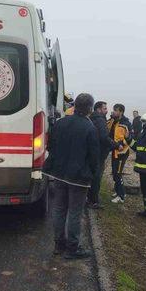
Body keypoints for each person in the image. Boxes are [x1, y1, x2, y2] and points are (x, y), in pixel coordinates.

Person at [43, 93, 100, 258]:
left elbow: (51, 146)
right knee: (75, 212)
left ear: (75, 106)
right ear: (90, 108)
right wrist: (91, 174)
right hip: (79, 178)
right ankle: (72, 249)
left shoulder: (61, 123)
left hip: (59, 174)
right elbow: (94, 157)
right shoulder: (90, 128)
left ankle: (58, 245)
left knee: (59, 209)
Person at [88, 101, 120, 209]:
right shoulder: (100, 120)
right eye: (105, 108)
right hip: (99, 153)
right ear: (99, 109)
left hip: (93, 152)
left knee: (92, 176)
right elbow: (103, 137)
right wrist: (116, 145)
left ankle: (90, 198)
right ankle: (94, 201)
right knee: (96, 177)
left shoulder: (92, 118)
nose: (107, 111)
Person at [107, 103, 132, 204]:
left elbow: (129, 138)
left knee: (118, 173)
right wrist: (111, 119)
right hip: (114, 151)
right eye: (113, 110)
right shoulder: (114, 121)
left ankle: (121, 196)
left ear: (121, 112)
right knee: (114, 172)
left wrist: (121, 144)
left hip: (122, 152)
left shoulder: (126, 123)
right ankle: (118, 191)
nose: (113, 111)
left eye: (115, 110)